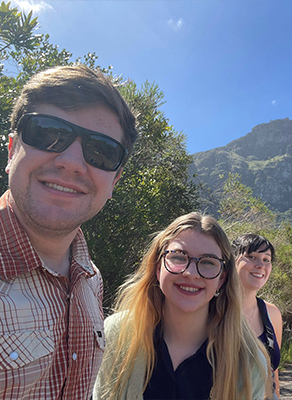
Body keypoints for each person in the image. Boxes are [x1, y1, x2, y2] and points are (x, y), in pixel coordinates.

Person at [0, 64, 138, 399]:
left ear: (114, 182)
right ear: (12, 149)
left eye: (101, 151)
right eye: (48, 132)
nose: (72, 161)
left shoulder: (91, 279)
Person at [93, 212, 272, 400]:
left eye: (208, 262)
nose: (191, 273)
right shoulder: (117, 335)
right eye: (178, 257)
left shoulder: (247, 360)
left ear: (222, 278)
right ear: (157, 266)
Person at [232, 234, 283, 398]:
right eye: (251, 257)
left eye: (266, 259)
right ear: (232, 261)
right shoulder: (213, 312)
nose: (261, 265)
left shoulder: (272, 314)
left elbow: (273, 375)